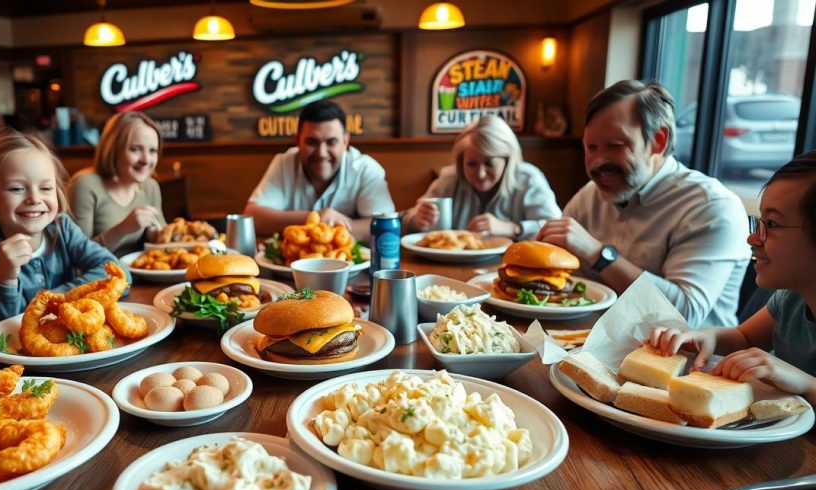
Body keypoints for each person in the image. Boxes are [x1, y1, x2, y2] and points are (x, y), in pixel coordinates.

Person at [537, 80, 750, 328]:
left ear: (658, 141)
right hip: (594, 345)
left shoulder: (710, 206)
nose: (597, 163)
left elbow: (684, 315)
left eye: (615, 146)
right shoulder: (589, 196)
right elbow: (561, 280)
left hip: (690, 362)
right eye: (590, 147)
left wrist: (598, 254)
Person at [646, 151, 816, 403]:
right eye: (759, 222)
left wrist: (806, 384)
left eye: (771, 224)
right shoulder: (790, 299)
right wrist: (706, 337)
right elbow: (744, 337)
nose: (752, 238)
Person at [0, 127, 124, 324]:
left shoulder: (63, 229)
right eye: (17, 188)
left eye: (45, 188)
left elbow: (118, 276)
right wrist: (5, 279)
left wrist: (53, 299)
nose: (35, 198)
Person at [244, 100, 394, 241]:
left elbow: (386, 224)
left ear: (345, 141)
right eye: (312, 142)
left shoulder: (365, 168)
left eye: (331, 142)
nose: (321, 153)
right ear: (297, 141)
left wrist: (329, 228)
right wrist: (314, 217)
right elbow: (252, 217)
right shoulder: (284, 163)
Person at [402, 115, 561, 238]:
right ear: (461, 161)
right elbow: (406, 221)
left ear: (507, 160)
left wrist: (512, 228)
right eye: (471, 164)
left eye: (489, 163)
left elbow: (556, 229)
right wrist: (417, 219)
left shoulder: (529, 179)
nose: (481, 174)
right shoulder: (449, 178)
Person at [68, 111, 166, 256]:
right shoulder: (85, 185)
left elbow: (165, 241)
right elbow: (76, 257)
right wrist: (123, 229)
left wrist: (154, 236)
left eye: (152, 151)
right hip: (99, 276)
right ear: (113, 148)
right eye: (135, 149)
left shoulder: (150, 186)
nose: (146, 160)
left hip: (141, 275)